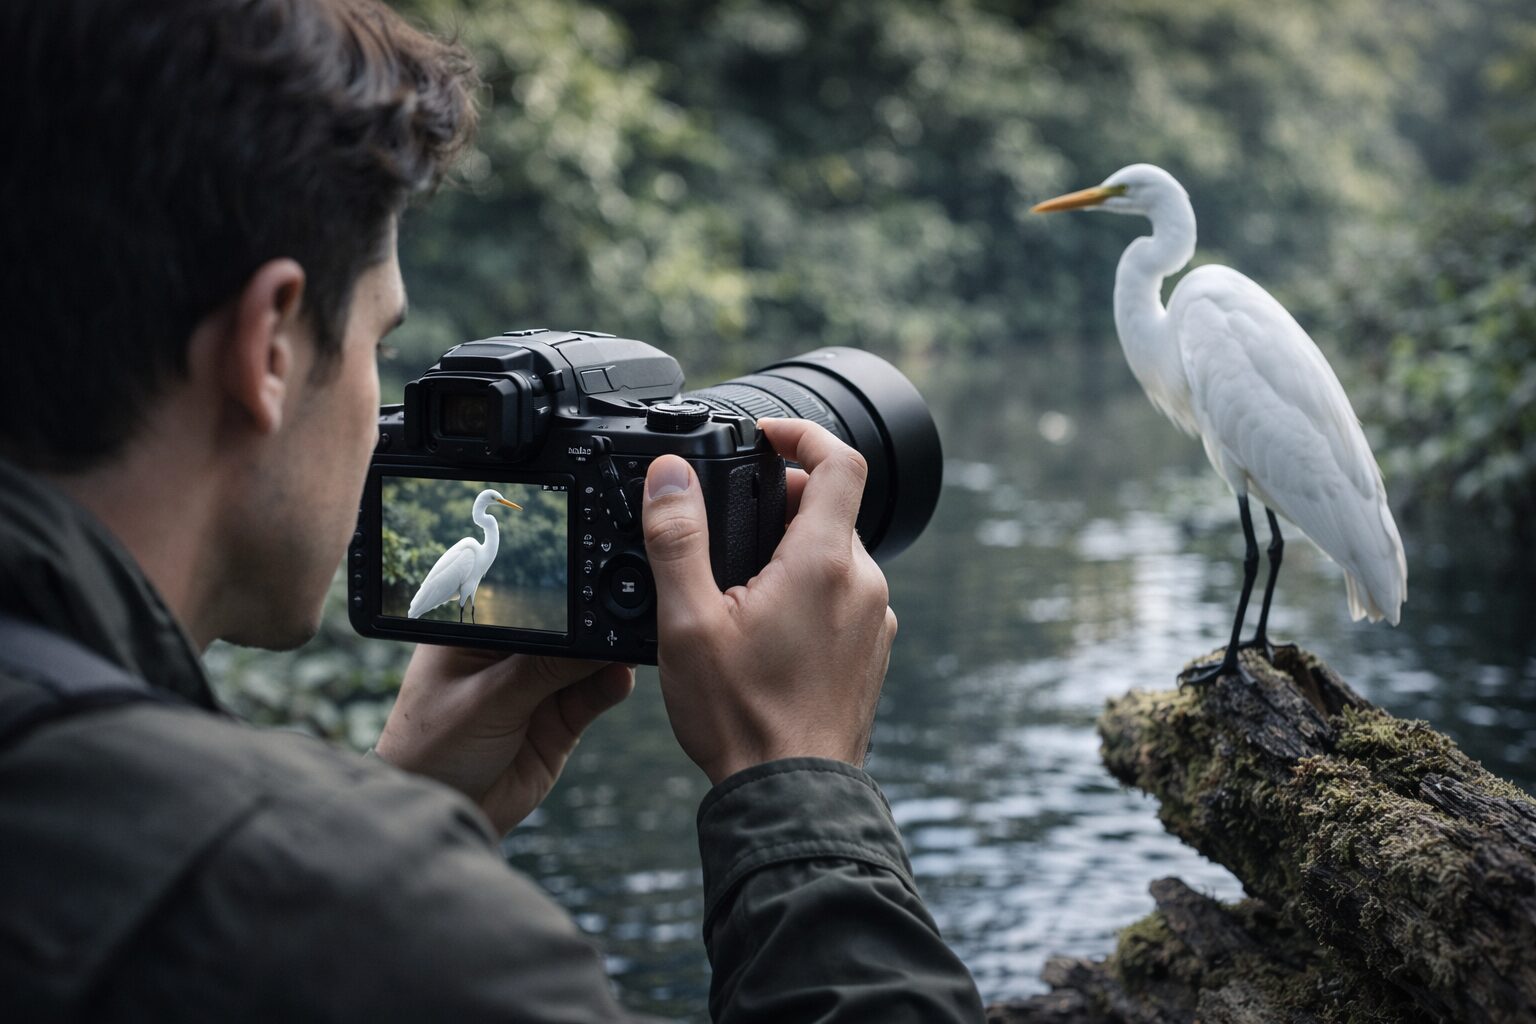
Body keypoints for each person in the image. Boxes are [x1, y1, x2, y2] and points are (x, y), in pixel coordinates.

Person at [0, 0, 985, 1020]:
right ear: (273, 347)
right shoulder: (420, 947)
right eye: (381, 341)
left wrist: (397, 809)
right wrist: (801, 787)